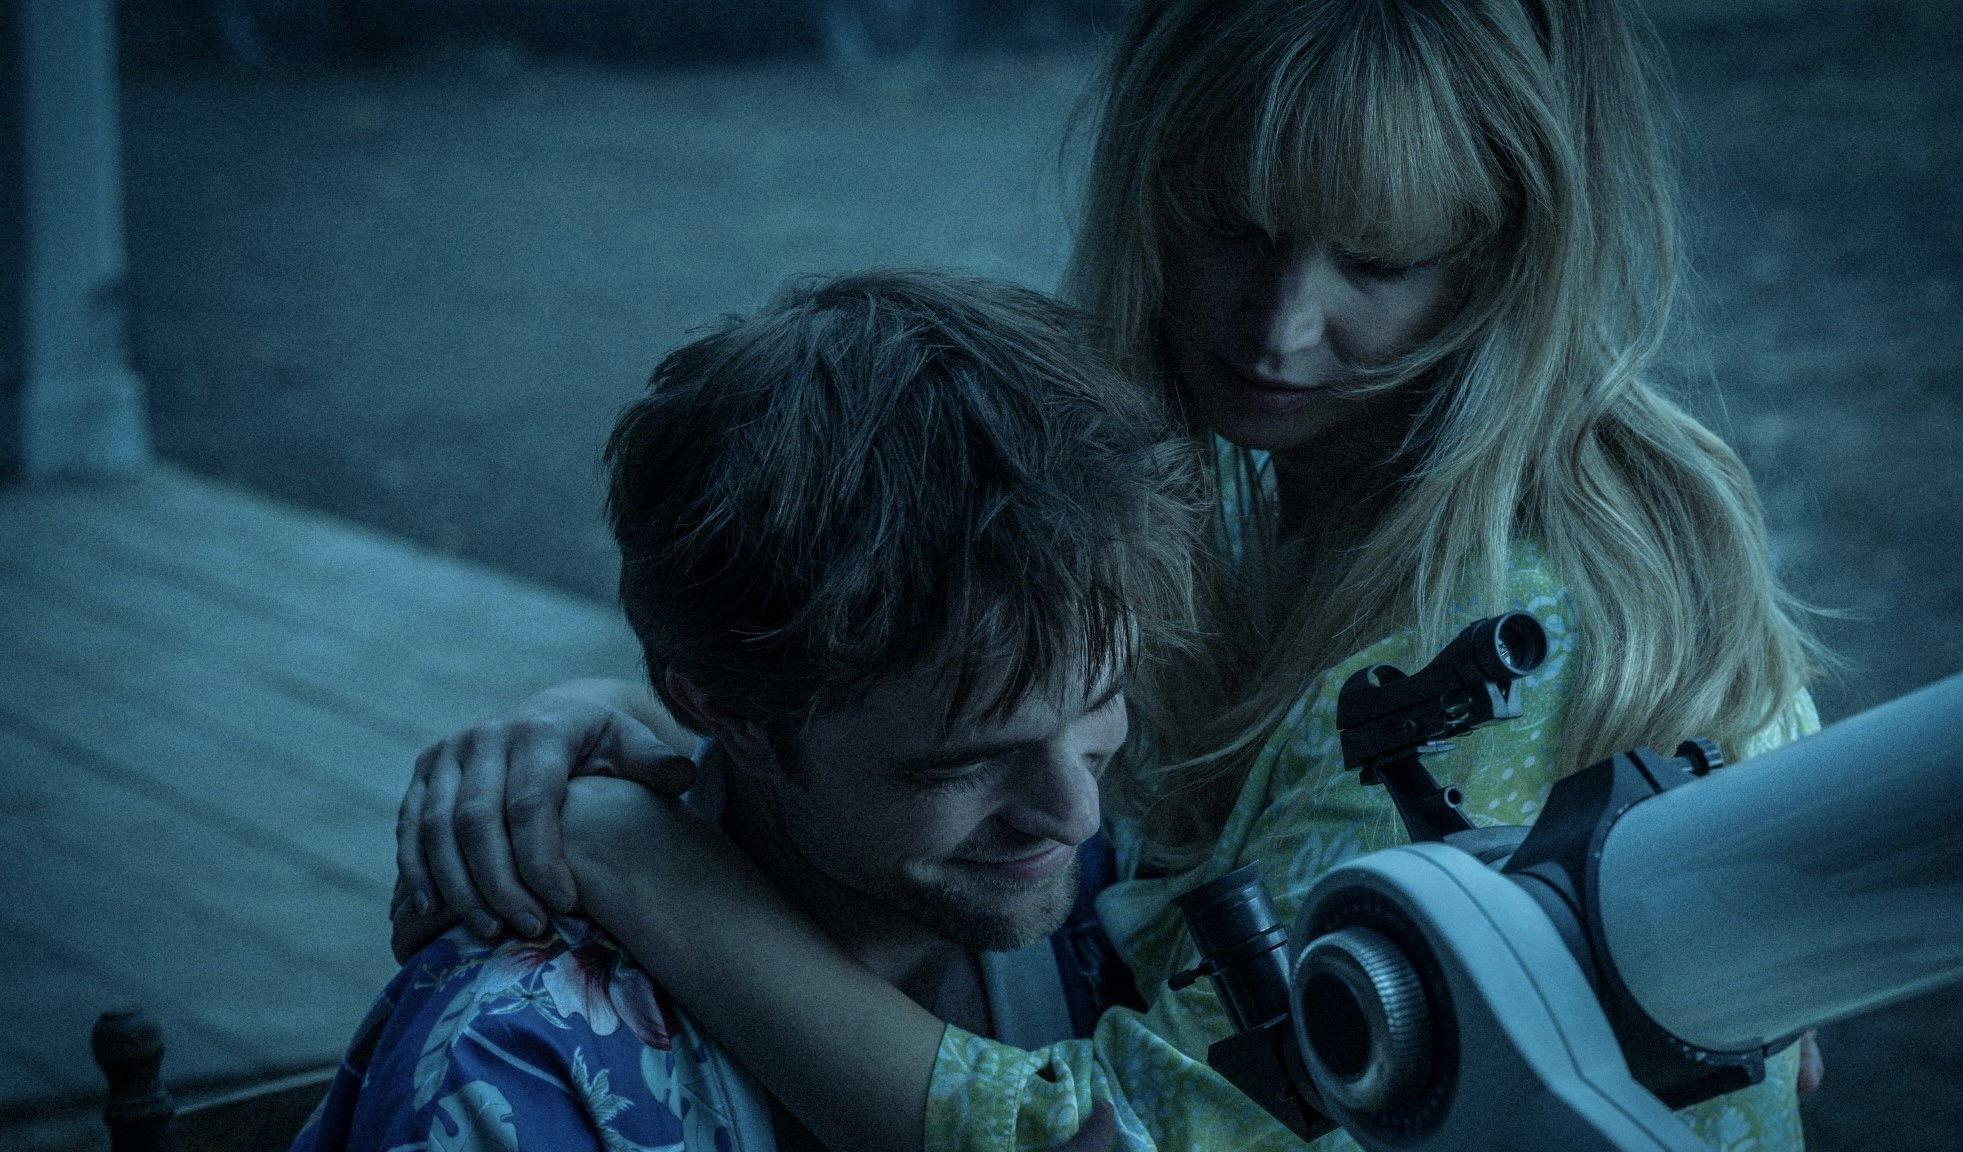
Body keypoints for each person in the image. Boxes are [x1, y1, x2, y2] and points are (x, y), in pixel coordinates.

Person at [394, 0, 1829, 1147]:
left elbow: (1139, 1138)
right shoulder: (1243, 499)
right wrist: (652, 725)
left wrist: (640, 858)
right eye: (1234, 229)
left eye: (1380, 263)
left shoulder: (1522, 628)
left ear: (1511, 259)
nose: (1278, 329)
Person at [293, 269, 1205, 1152]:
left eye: (1101, 701)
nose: (1077, 814)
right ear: (729, 711)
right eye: (965, 762)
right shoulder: (514, 1068)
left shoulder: (1135, 898)